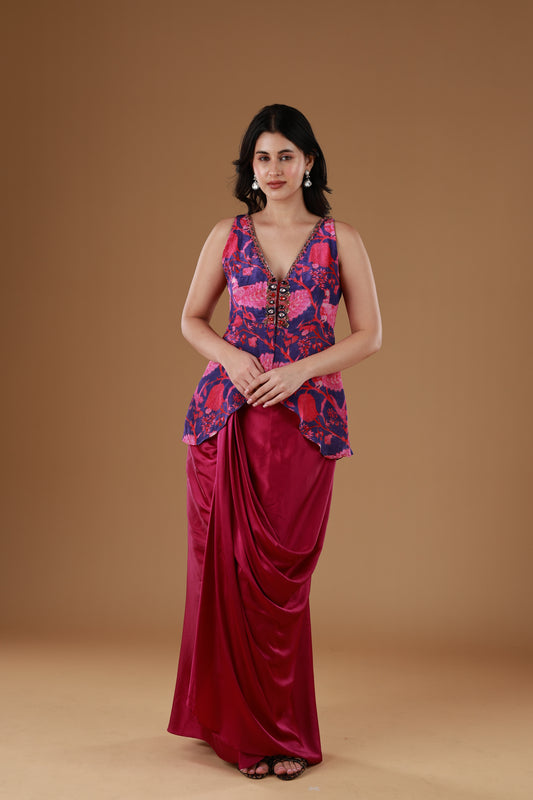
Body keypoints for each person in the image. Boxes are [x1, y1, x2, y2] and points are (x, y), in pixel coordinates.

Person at [167, 103, 382, 781]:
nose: (274, 168)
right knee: (225, 575)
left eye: (286, 155)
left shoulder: (340, 238)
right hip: (225, 420)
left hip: (305, 423)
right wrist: (232, 358)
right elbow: (192, 318)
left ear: (308, 161)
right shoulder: (226, 235)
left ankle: (282, 730)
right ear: (250, 167)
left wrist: (299, 371)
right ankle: (234, 728)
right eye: (263, 157)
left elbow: (369, 334)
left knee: (280, 582)